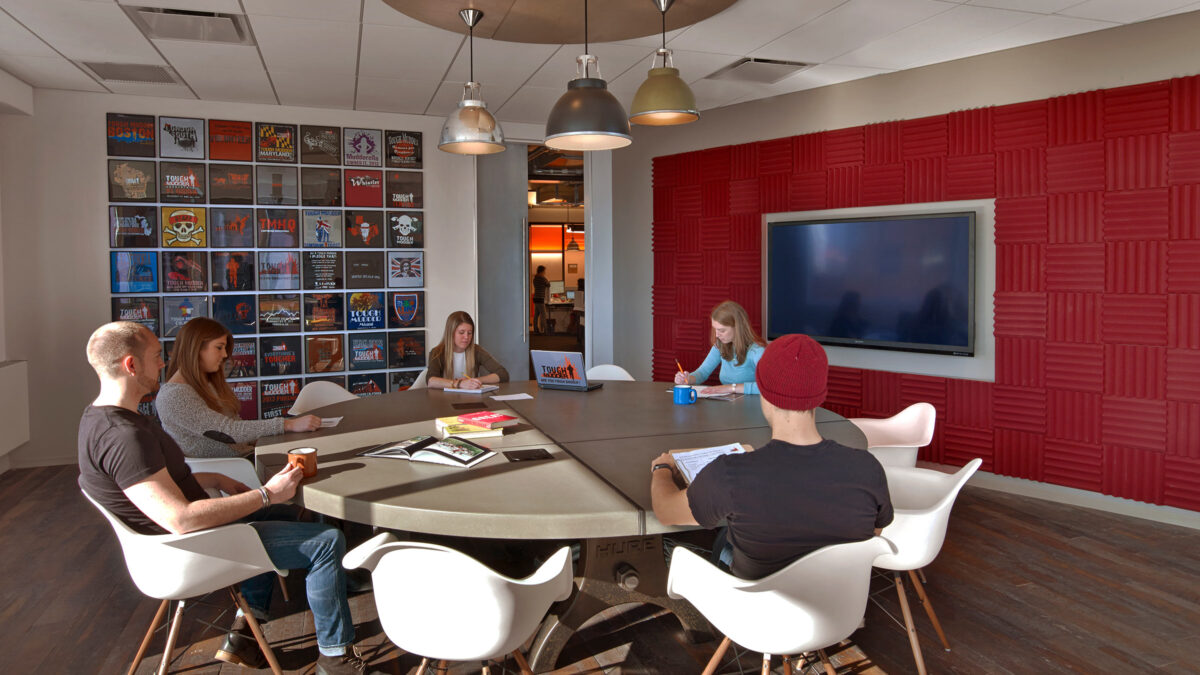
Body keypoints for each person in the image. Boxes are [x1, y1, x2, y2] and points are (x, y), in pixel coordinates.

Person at [77, 322, 375, 674]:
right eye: (157, 356)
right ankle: (336, 658)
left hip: (194, 536)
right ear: (130, 365)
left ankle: (246, 635)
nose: (162, 363)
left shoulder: (99, 421)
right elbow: (181, 518)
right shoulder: (125, 436)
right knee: (326, 542)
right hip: (192, 547)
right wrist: (266, 494)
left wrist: (214, 477)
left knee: (292, 518)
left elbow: (151, 484)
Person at [650, 333, 893, 580]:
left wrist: (662, 468)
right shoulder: (868, 468)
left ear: (763, 394)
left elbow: (666, 511)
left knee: (723, 541)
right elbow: (874, 532)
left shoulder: (730, 474)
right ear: (820, 395)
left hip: (759, 612)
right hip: (840, 609)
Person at [155, 317, 320, 458]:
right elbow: (227, 432)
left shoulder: (205, 383)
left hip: (245, 458)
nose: (225, 355)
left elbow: (236, 428)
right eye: (219, 347)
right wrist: (287, 425)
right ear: (196, 348)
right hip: (235, 469)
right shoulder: (175, 395)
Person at [674, 300, 765, 396]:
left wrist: (730, 388)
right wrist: (688, 379)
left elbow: (768, 386)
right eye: (715, 329)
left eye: (722, 330)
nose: (717, 335)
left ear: (737, 328)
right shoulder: (720, 345)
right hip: (729, 404)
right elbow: (703, 372)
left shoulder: (757, 351)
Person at [426, 311, 510, 390]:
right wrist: (459, 384)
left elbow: (503, 374)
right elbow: (431, 381)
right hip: (444, 400)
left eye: (469, 333)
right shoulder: (437, 352)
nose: (466, 337)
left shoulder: (476, 350)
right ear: (451, 333)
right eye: (461, 332)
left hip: (470, 399)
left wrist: (474, 381)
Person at [531, 265, 550, 334]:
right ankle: (546, 331)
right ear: (542, 271)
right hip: (540, 298)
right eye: (544, 271)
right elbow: (548, 284)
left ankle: (535, 330)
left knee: (536, 315)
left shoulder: (535, 278)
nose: (545, 272)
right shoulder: (542, 278)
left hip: (535, 298)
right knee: (543, 315)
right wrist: (544, 277)